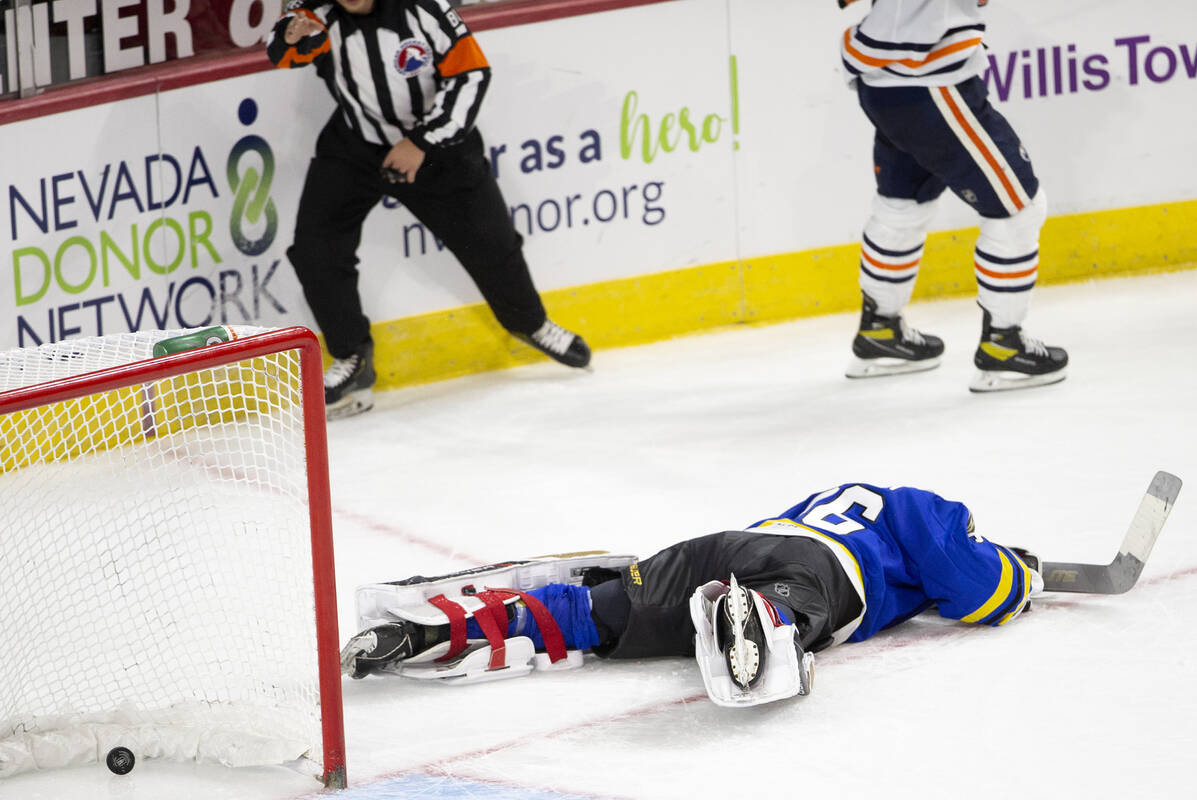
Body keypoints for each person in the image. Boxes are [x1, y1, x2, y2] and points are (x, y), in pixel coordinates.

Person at [339, 482, 1042, 707]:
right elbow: (975, 590)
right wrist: (1021, 573)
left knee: (602, 614)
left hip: (725, 546)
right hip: (815, 566)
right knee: (805, 606)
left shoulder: (838, 495)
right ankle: (765, 620)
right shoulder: (923, 508)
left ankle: (439, 631)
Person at [266, 0, 591, 419]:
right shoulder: (319, 12)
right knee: (316, 249)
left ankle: (530, 323)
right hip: (354, 146)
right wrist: (289, 36)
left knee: (492, 244)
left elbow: (472, 74)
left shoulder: (423, 8)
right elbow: (286, 54)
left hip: (438, 151)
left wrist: (421, 142)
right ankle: (352, 357)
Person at [837, 0, 1068, 392]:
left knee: (904, 202)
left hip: (886, 84)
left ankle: (881, 332)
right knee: (1018, 209)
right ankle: (1003, 346)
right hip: (930, 85)